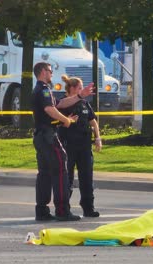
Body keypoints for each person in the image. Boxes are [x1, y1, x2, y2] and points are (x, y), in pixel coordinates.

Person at [31, 62, 94, 221]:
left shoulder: (42, 89)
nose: (52, 74)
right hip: (47, 136)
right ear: (43, 72)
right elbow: (49, 110)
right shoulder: (43, 89)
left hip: (41, 136)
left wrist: (80, 96)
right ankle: (62, 210)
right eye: (50, 71)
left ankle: (42, 210)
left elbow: (59, 104)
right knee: (61, 170)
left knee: (44, 173)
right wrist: (65, 120)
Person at [58, 75, 102, 218]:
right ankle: (64, 209)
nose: (82, 90)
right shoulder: (65, 102)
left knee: (87, 178)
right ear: (71, 88)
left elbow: (93, 121)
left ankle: (88, 208)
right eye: (79, 88)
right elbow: (59, 107)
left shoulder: (84, 104)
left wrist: (98, 138)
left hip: (84, 147)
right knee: (67, 179)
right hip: (68, 146)